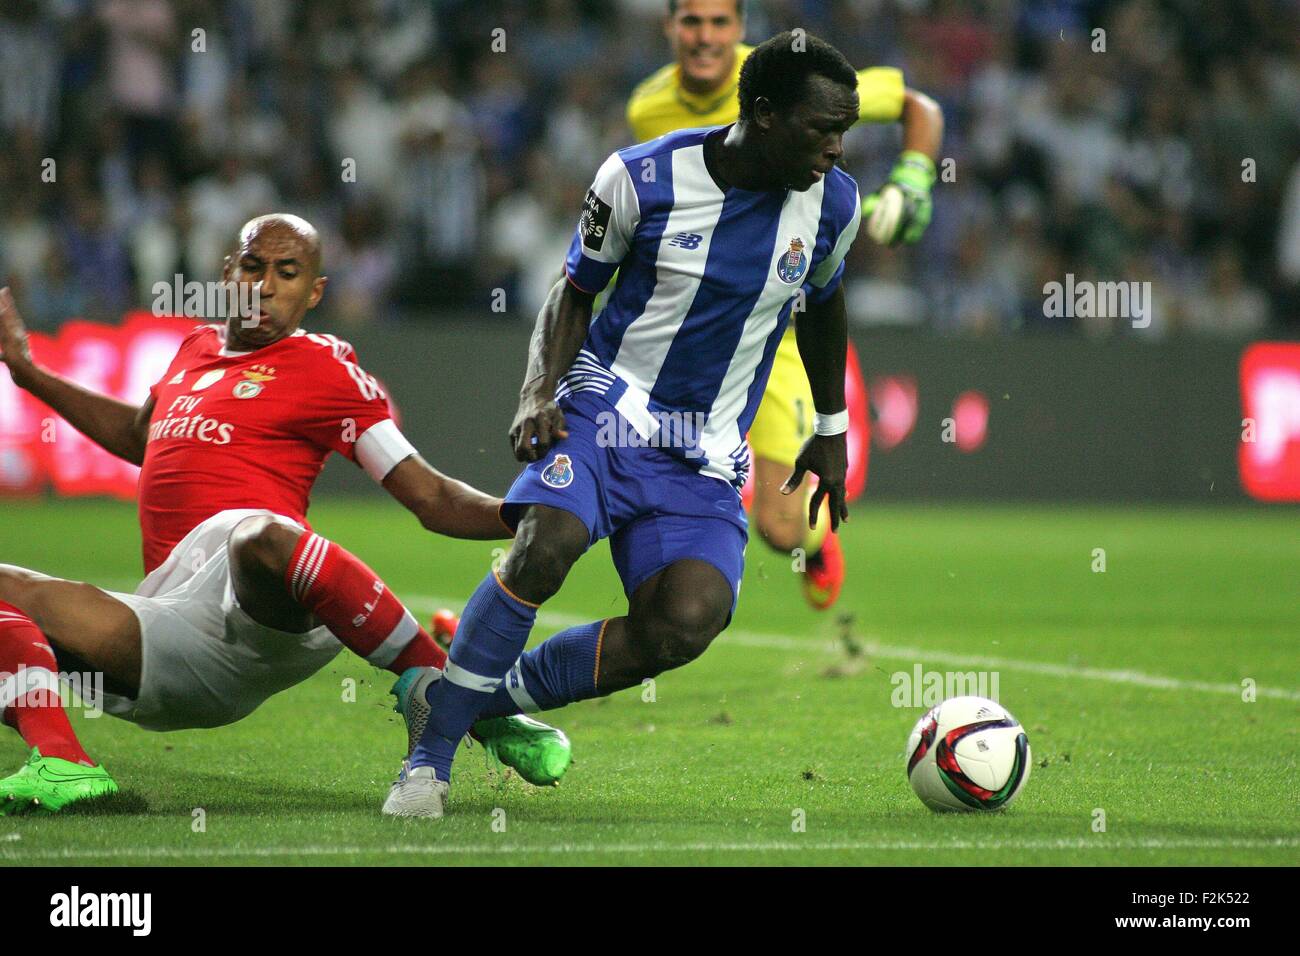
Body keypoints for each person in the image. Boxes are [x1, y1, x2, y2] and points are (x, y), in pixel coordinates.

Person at [385, 32, 862, 817]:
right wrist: (539, 391)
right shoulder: (642, 177)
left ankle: (463, 699)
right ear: (766, 115)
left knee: (687, 620)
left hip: (706, 449)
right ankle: (428, 762)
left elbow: (825, 300)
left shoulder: (833, 203)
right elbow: (575, 291)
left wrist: (833, 425)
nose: (836, 148)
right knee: (546, 548)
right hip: (610, 406)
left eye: (845, 129)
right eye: (822, 128)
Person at [0, 214, 570, 815]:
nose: (264, 285)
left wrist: (526, 514)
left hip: (264, 602)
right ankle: (64, 765)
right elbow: (140, 436)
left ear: (314, 291)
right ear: (228, 273)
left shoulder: (324, 368)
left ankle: (453, 699)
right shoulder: (194, 349)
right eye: (252, 267)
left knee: (258, 535)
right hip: (168, 626)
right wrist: (28, 371)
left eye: (287, 272)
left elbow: (428, 497)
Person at [627, 0, 944, 609]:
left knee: (779, 527)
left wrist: (913, 177)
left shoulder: (788, 81)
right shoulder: (648, 109)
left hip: (782, 332)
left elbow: (917, 105)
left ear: (740, 28)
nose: (705, 36)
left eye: (720, 22)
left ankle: (815, 541)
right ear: (668, 27)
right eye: (691, 21)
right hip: (704, 329)